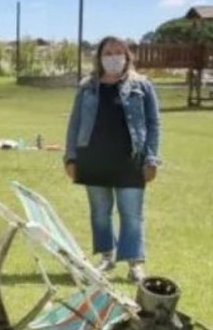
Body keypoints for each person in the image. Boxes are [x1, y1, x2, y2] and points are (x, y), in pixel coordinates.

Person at [64, 36, 161, 283]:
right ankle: (106, 256)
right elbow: (74, 123)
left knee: (131, 213)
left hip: (131, 159)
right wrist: (71, 157)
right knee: (100, 212)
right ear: (99, 57)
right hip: (93, 158)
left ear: (128, 56)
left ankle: (134, 264)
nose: (114, 57)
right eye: (108, 53)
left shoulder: (142, 86)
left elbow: (153, 123)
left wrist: (151, 158)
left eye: (119, 52)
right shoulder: (87, 86)